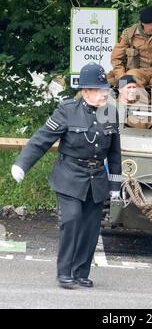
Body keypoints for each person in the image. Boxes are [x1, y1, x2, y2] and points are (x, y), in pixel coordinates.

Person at [11, 62, 122, 289]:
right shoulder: (67, 109)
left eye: (106, 89)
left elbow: (114, 152)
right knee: (71, 221)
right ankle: (64, 273)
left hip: (96, 178)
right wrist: (22, 164)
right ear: (85, 91)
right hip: (70, 175)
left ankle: (81, 272)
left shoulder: (111, 111)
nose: (104, 94)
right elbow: (41, 139)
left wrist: (115, 185)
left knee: (91, 228)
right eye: (99, 90)